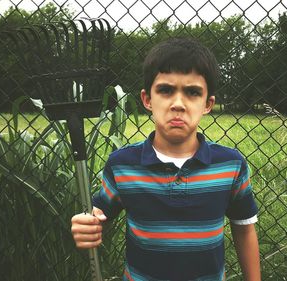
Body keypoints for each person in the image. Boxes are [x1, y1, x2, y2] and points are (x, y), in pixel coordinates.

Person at [71, 37, 261, 281]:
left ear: (208, 104)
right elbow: (98, 220)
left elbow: (244, 230)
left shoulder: (230, 165)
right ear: (147, 99)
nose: (178, 104)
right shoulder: (122, 164)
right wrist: (86, 229)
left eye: (192, 92)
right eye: (166, 90)